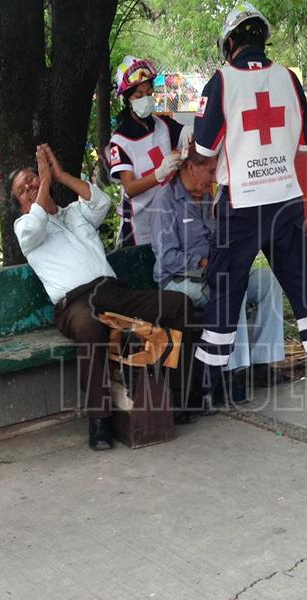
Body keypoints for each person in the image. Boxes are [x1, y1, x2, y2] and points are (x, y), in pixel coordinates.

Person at [192, 2, 307, 407]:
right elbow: (305, 145)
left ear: (229, 43)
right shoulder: (289, 80)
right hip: (286, 202)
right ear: (262, 37)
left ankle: (201, 394)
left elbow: (204, 149)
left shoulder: (221, 81)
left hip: (241, 206)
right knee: (305, 296)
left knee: (225, 299)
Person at [12, 143, 202, 451]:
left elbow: (101, 202)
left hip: (112, 290)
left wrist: (60, 175)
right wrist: (44, 181)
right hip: (75, 303)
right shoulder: (25, 226)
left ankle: (180, 397)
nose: (31, 187)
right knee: (90, 329)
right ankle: (99, 420)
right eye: (23, 190)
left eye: (33, 180)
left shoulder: (74, 213)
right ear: (20, 205)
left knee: (179, 305)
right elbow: (36, 224)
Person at [149, 143, 288, 403]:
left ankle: (262, 362)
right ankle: (233, 371)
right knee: (231, 288)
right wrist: (203, 262)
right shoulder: (165, 202)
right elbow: (167, 259)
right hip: (179, 281)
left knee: (269, 281)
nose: (214, 179)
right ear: (192, 167)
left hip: (215, 272)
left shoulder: (208, 198)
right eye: (211, 172)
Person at [107, 56, 185, 247]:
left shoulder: (163, 124)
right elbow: (130, 188)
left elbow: (188, 136)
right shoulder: (120, 140)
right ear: (127, 99)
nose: (146, 99)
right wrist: (160, 173)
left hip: (169, 214)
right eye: (139, 95)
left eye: (149, 93)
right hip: (139, 226)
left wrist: (191, 134)